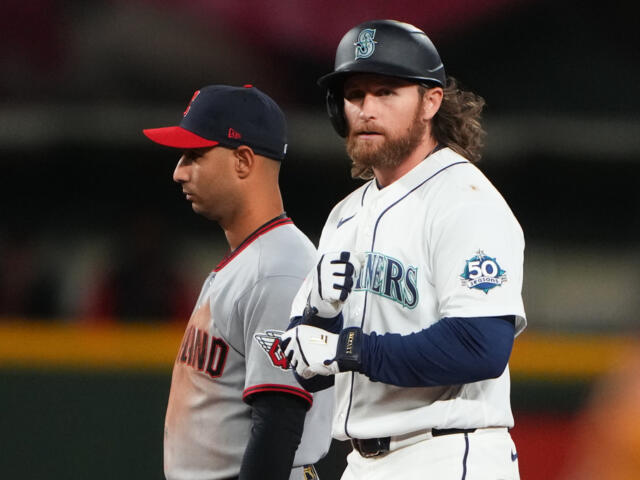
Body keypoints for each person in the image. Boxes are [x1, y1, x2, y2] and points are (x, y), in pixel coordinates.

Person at [281, 19, 527, 480]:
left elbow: (482, 347)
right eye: (355, 95)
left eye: (387, 92)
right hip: (361, 460)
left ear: (431, 101)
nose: (367, 110)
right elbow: (307, 362)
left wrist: (347, 347)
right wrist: (316, 315)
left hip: (448, 452)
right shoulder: (344, 216)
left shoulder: (465, 200)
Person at [143, 84, 332, 480]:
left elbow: (279, 421)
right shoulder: (253, 260)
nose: (179, 171)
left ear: (243, 161)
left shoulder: (279, 268)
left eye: (195, 154)